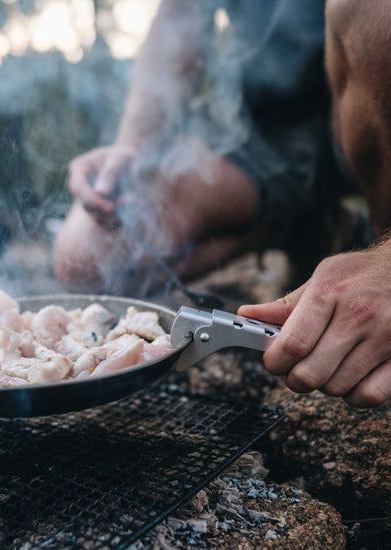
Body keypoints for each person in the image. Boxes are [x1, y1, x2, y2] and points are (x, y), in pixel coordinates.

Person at [53, 0, 391, 408]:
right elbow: (180, 14)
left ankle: (378, 252)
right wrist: (133, 147)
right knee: (88, 255)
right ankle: (303, 226)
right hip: (262, 128)